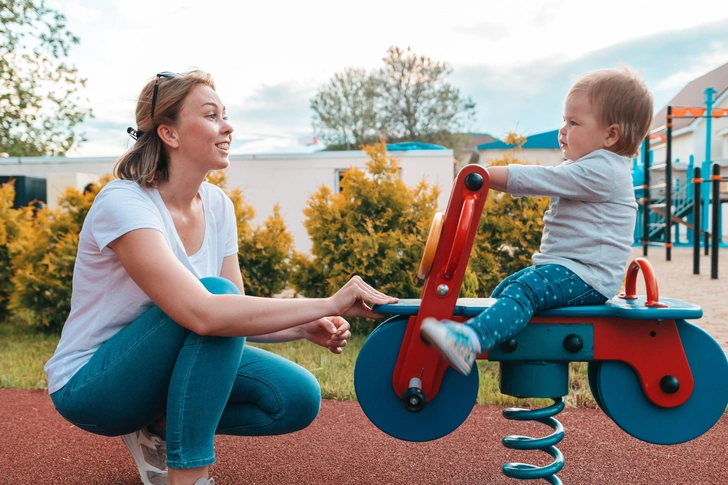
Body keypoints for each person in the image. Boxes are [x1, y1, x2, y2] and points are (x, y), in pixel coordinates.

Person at [44, 69, 397, 485]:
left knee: (297, 397)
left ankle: (157, 426)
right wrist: (330, 302)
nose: (227, 127)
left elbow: (234, 316)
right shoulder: (123, 202)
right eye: (212, 115)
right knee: (212, 293)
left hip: (163, 366)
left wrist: (303, 325)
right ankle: (189, 475)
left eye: (225, 115)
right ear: (169, 134)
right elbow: (206, 311)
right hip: (94, 385)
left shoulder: (217, 205)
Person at [421, 67, 653, 375]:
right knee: (508, 287)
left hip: (587, 275)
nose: (563, 131)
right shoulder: (592, 167)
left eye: (574, 123)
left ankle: (472, 339)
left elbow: (541, 179)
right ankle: (489, 337)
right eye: (563, 122)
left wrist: (485, 175)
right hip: (572, 270)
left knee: (525, 290)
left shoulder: (604, 170)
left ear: (611, 135)